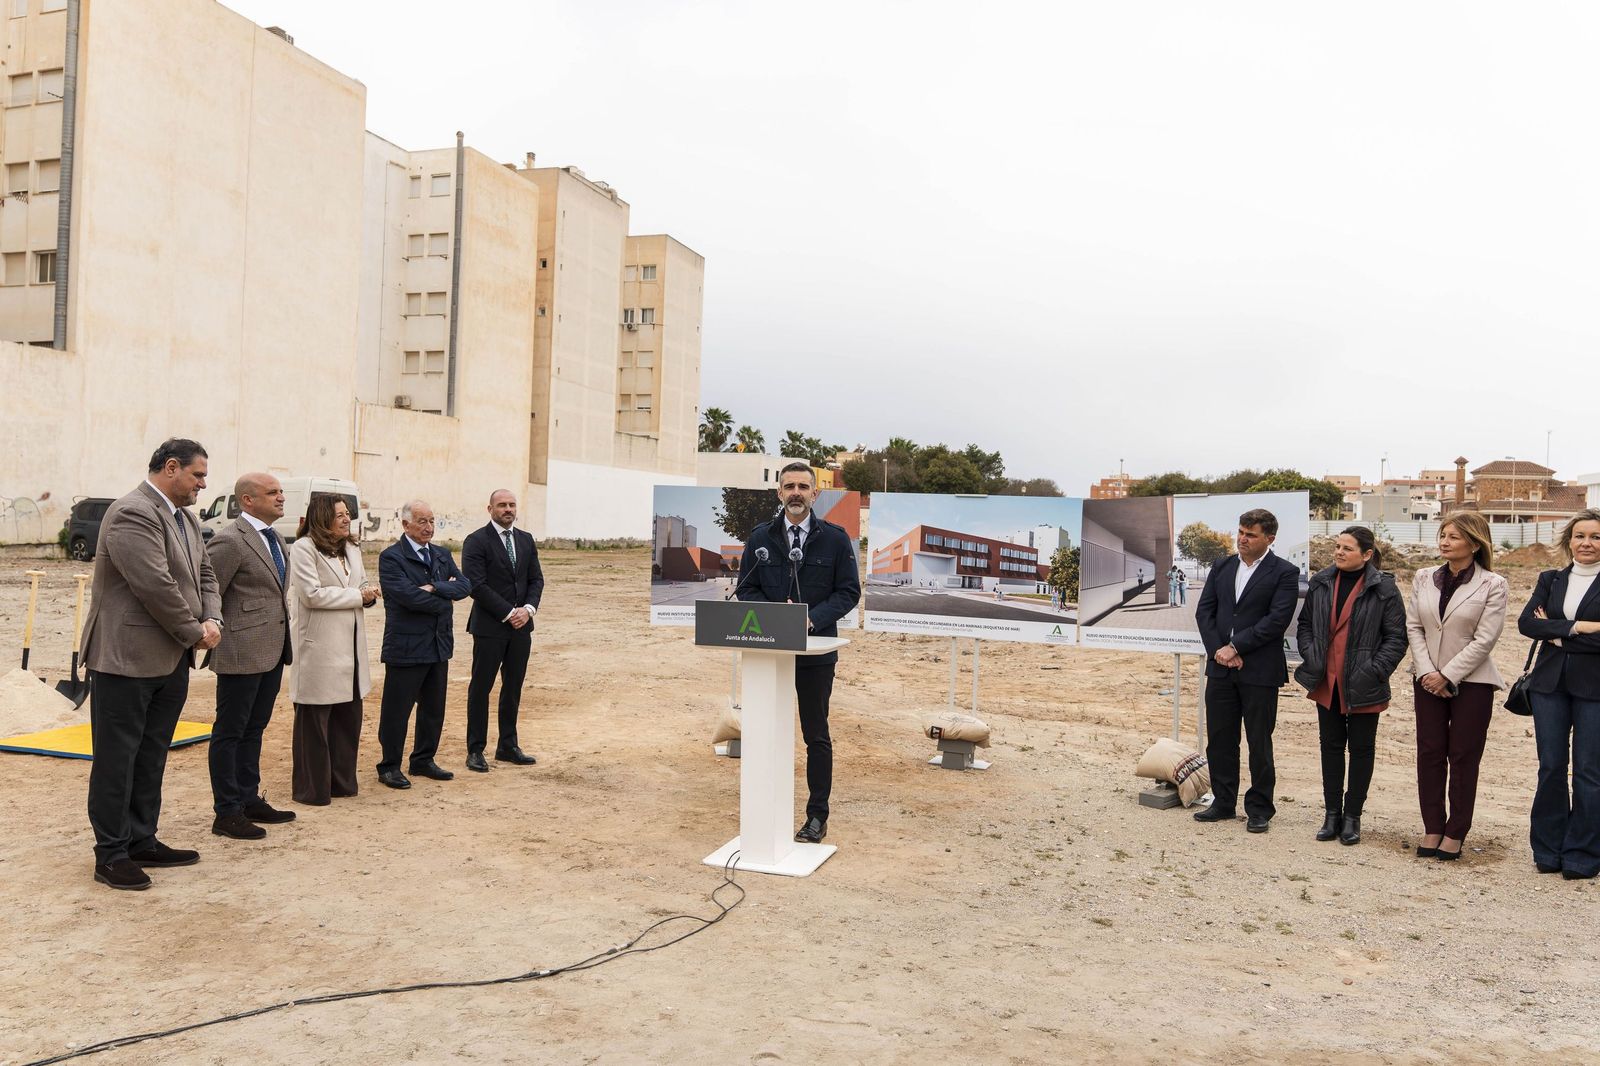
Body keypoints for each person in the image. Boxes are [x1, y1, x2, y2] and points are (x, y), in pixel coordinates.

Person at [81, 438, 221, 890]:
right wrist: (195, 631)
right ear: (172, 467)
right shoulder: (131, 512)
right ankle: (112, 854)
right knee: (117, 760)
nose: (203, 483)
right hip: (124, 659)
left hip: (168, 658)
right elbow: (154, 585)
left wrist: (213, 616)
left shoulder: (186, 518)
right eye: (198, 475)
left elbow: (205, 575)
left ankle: (142, 839)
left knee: (152, 754)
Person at [735, 461, 861, 843]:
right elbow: (745, 588)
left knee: (815, 734)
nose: (795, 493)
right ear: (779, 493)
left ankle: (816, 816)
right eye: (788, 486)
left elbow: (848, 592)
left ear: (814, 493)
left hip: (816, 654)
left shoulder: (835, 539)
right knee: (763, 732)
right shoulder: (760, 537)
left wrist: (809, 620)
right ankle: (764, 811)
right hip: (769, 653)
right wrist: (777, 618)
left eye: (802, 487)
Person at [1294, 526, 1407, 846]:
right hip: (1326, 680)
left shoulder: (1383, 587)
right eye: (1338, 546)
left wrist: (1375, 670)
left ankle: (1353, 816)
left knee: (1360, 749)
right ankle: (1332, 814)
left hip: (1363, 682)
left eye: (1347, 548)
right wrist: (1311, 653)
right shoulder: (1321, 581)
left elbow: (1396, 638)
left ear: (1367, 554)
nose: (1339, 552)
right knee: (1329, 747)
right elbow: (1304, 625)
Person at [1405, 510, 1507, 862]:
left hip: (1473, 682)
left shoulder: (1493, 584)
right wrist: (1427, 672)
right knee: (1430, 753)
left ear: (1475, 543)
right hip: (1426, 678)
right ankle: (1433, 825)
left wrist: (1447, 675)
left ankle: (1455, 831)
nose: (1445, 542)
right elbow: (1414, 627)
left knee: (1463, 756)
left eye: (1454, 536)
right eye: (1443, 535)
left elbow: (1485, 639)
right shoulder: (1422, 577)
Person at [1193, 508, 1301, 833]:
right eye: (1241, 531)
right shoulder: (1222, 566)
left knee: (1258, 741)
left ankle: (1259, 808)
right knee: (1221, 740)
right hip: (1221, 670)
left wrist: (1236, 647)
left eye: (1250, 534)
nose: (1242, 538)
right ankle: (1223, 803)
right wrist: (1219, 651)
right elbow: (1204, 612)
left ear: (1269, 538)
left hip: (1260, 671)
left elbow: (1277, 620)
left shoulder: (1284, 572)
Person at [204, 473, 295, 840]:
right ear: (247, 500)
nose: (280, 498)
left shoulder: (274, 537)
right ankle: (226, 812)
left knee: (254, 729)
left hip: (271, 650)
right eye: (271, 493)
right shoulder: (229, 540)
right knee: (230, 732)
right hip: (241, 652)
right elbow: (210, 591)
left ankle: (247, 797)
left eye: (281, 492)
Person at [1516, 508, 1600, 879]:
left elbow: (1543, 626)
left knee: (1588, 772)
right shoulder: (1550, 579)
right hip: (1549, 685)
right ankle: (1548, 849)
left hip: (1595, 688)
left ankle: (1582, 853)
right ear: (1569, 540)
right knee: (1550, 767)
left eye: (1596, 537)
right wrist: (1582, 627)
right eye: (1580, 535)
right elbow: (1526, 623)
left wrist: (1557, 632)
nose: (1587, 543)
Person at [288, 494, 379, 806]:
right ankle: (312, 790)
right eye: (339, 514)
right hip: (320, 649)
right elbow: (311, 594)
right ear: (322, 517)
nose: (346, 519)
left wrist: (368, 593)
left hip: (351, 648)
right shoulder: (303, 549)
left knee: (347, 719)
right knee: (315, 722)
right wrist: (358, 595)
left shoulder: (351, 549)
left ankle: (342, 783)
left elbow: (361, 582)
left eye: (347, 514)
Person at [376, 499, 471, 789]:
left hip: (438, 644)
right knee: (397, 710)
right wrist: (445, 596)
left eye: (432, 521)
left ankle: (423, 759)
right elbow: (407, 597)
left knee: (433, 708)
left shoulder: (441, 554)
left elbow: (465, 586)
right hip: (405, 647)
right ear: (406, 525)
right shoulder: (392, 557)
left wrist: (435, 587)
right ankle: (389, 765)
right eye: (422, 521)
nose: (428, 527)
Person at [461, 489, 545, 772]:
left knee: (513, 688)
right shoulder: (476, 541)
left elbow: (536, 579)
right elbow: (476, 585)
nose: (507, 509)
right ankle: (475, 750)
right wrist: (509, 613)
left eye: (511, 505)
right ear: (490, 509)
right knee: (481, 688)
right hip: (490, 628)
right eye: (501, 505)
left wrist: (528, 610)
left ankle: (508, 746)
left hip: (522, 628)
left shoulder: (525, 540)